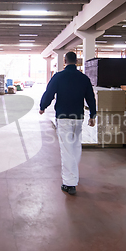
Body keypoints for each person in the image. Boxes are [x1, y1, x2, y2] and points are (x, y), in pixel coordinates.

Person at [39, 51, 97, 195]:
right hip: (78, 117)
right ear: (76, 62)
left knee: (66, 149)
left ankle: (69, 183)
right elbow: (91, 97)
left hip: (64, 117)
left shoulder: (58, 77)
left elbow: (49, 93)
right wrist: (93, 114)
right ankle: (73, 173)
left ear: (65, 61)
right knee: (76, 146)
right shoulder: (84, 78)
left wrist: (42, 106)